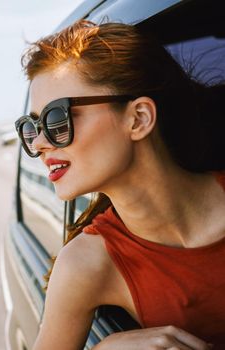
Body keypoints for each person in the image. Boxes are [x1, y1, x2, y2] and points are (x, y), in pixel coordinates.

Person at [15, 20, 225, 349]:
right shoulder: (85, 265)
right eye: (32, 126)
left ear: (138, 118)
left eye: (57, 119)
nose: (40, 142)